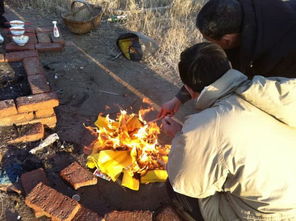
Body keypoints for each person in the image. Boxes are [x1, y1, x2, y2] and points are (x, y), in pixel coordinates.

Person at [162, 42, 296, 221]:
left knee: (175, 186)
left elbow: (187, 183)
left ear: (188, 89)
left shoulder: (206, 126)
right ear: (229, 67)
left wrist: (182, 138)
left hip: (272, 215)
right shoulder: (271, 90)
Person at [158, 0, 296, 118]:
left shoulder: (278, 57)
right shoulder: (246, 18)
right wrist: (179, 98)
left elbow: (275, 101)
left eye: (211, 41)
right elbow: (210, 71)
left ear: (227, 40)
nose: (211, 47)